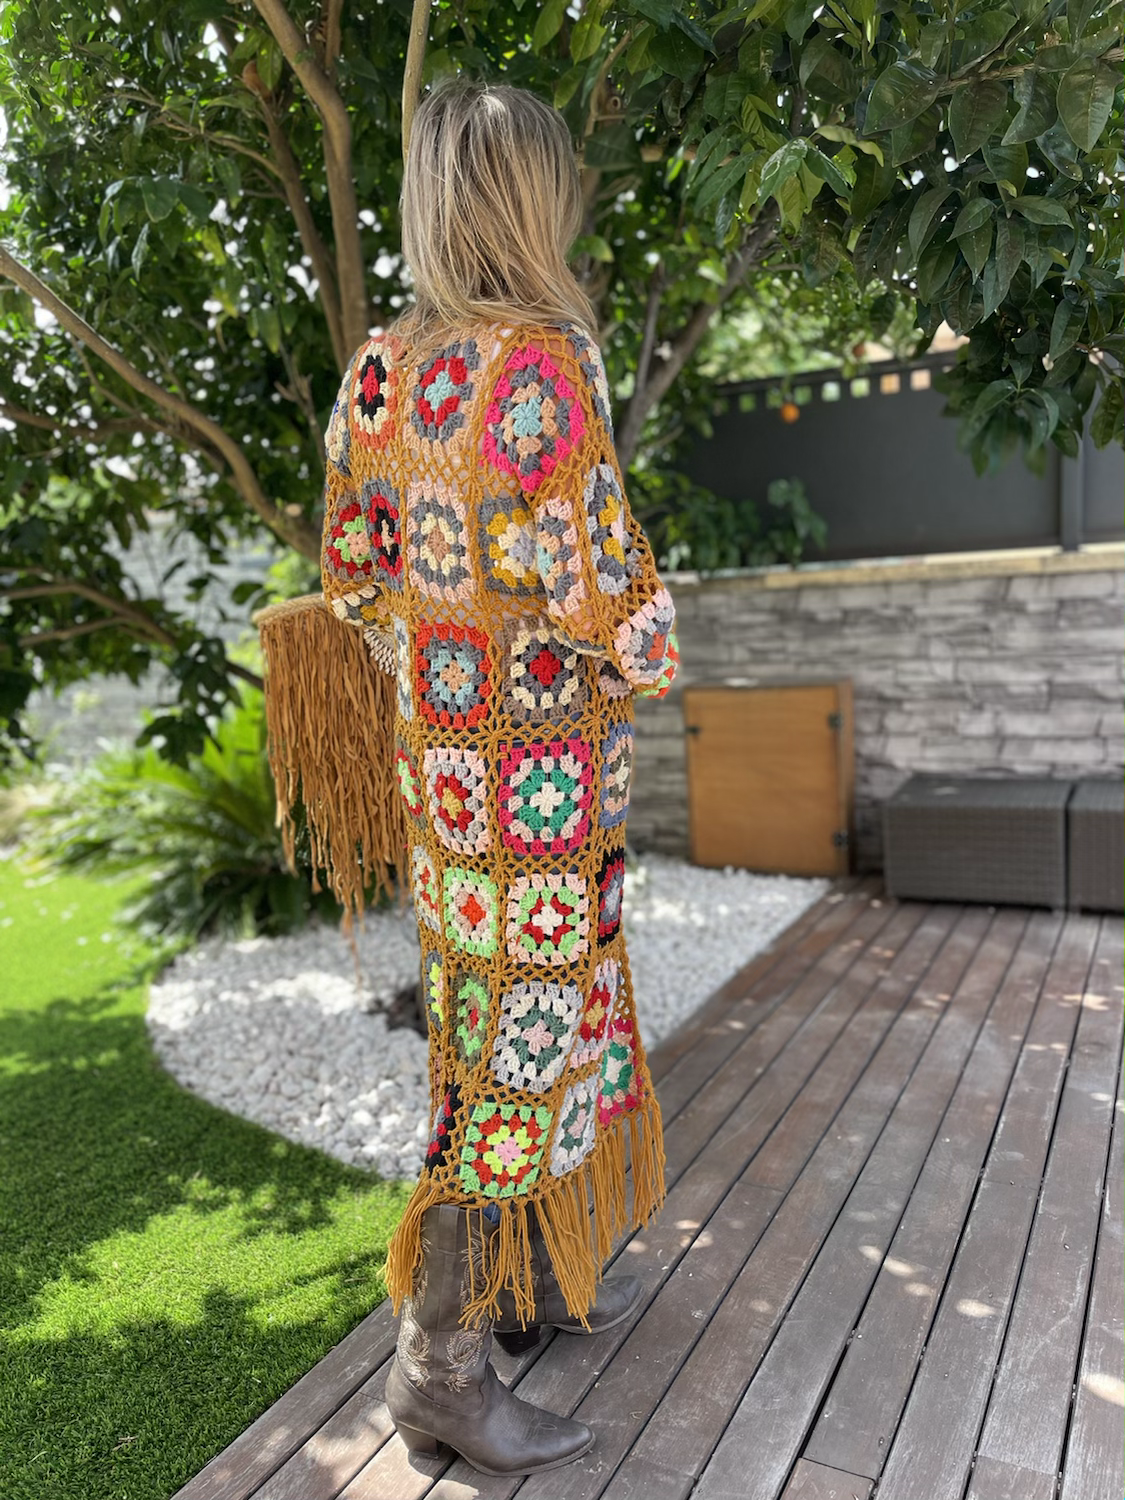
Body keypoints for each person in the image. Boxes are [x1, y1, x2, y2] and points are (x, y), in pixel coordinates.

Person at [317, 75, 679, 1476]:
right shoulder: (545, 361)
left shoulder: (377, 374)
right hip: (545, 790)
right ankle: (441, 1375)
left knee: (496, 1043)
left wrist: (440, 669)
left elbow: (352, 579)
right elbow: (603, 587)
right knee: (519, 1065)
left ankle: (527, 1284)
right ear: (529, 199)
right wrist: (645, 645)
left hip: (454, 800)